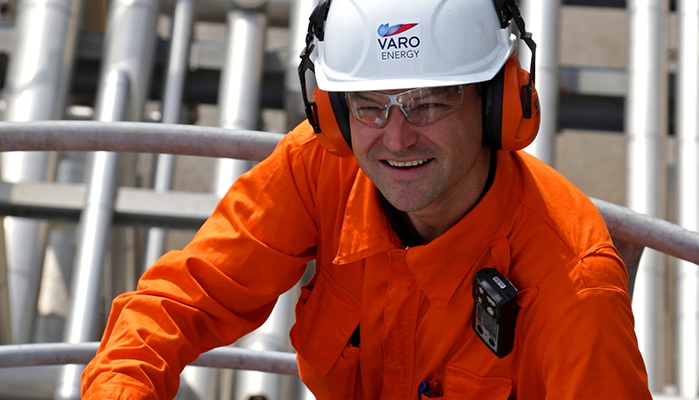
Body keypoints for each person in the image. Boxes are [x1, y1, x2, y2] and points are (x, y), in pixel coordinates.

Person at [82, 0, 652, 398]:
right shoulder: (321, 168)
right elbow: (174, 305)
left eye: (429, 103)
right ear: (332, 114)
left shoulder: (575, 289)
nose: (396, 140)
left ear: (496, 106)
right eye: (369, 106)